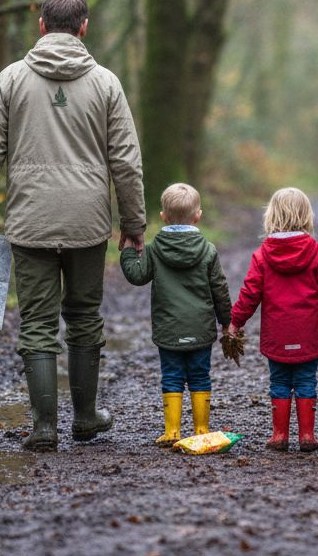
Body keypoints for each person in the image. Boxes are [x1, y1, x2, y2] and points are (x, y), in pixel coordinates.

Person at [0, 0, 145, 452]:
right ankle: (85, 417)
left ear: (41, 26)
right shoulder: (105, 83)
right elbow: (126, 161)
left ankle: (44, 427)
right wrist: (133, 223)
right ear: (84, 27)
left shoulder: (10, 80)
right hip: (87, 223)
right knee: (84, 318)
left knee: (37, 322)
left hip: (31, 221)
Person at [228, 188, 318, 452]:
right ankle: (307, 436)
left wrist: (235, 322)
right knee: (306, 381)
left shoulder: (262, 255)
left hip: (277, 335)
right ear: (306, 216)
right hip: (307, 334)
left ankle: (280, 435)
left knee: (279, 382)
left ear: (272, 216)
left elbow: (249, 293)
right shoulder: (315, 252)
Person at [119, 183, 231, 446]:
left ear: (163, 216)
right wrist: (227, 322)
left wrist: (126, 251)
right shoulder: (208, 250)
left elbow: (136, 275)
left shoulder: (155, 249)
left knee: (171, 377)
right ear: (198, 215)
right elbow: (220, 290)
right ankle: (201, 429)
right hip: (201, 329)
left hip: (168, 329)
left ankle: (172, 432)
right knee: (200, 376)